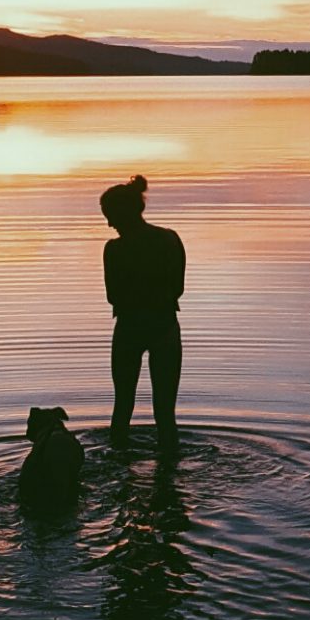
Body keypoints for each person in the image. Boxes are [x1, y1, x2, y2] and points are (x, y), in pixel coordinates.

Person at [100, 172, 185, 443]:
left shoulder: (114, 249)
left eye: (109, 215)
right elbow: (178, 289)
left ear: (124, 212)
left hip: (129, 329)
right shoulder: (170, 239)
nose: (109, 223)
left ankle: (118, 469)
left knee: (122, 407)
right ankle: (169, 470)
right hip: (165, 328)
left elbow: (113, 297)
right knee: (165, 414)